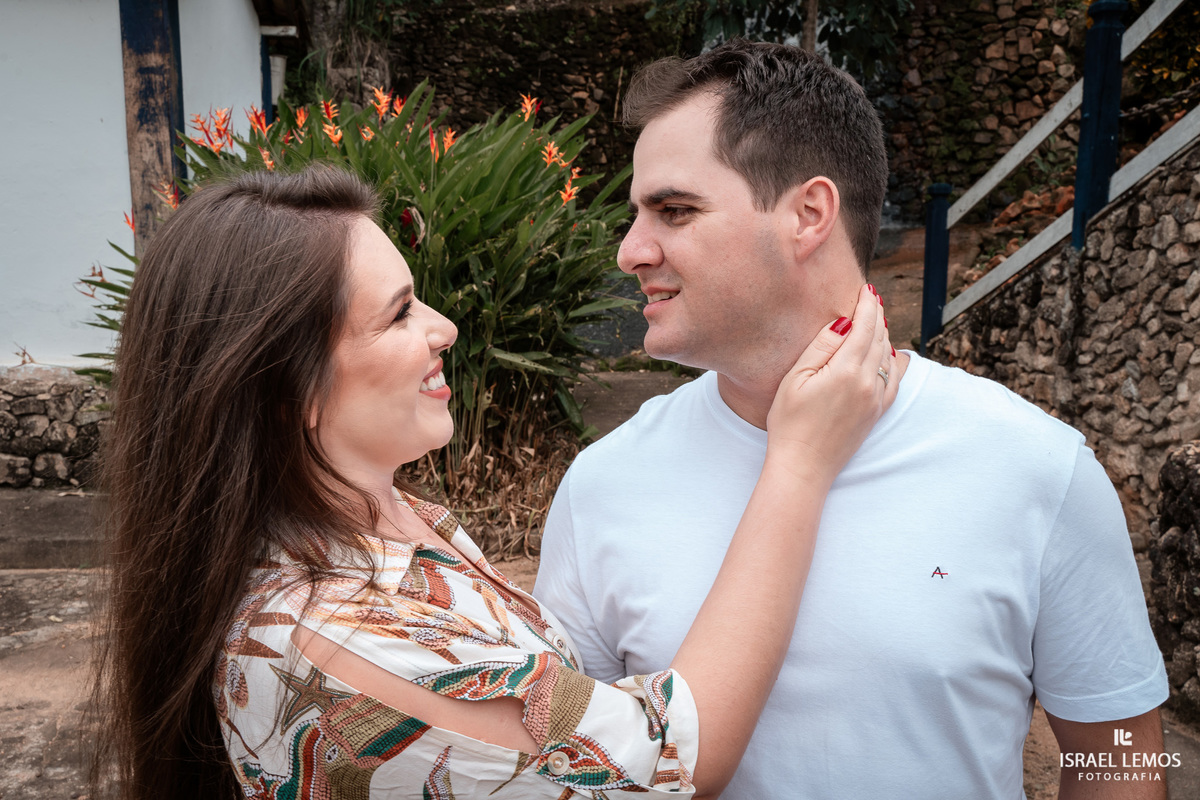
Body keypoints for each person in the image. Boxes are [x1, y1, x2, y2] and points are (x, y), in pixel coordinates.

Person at [89, 165, 897, 799]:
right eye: (400, 312)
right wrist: (799, 462)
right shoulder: (326, 646)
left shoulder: (397, 522)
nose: (442, 327)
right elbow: (672, 756)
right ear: (288, 388)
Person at [535, 40, 1169, 799]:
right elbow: (573, 776)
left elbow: (1123, 757)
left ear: (808, 214)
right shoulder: (603, 485)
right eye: (638, 214)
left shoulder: (1038, 467)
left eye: (674, 211)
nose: (630, 251)